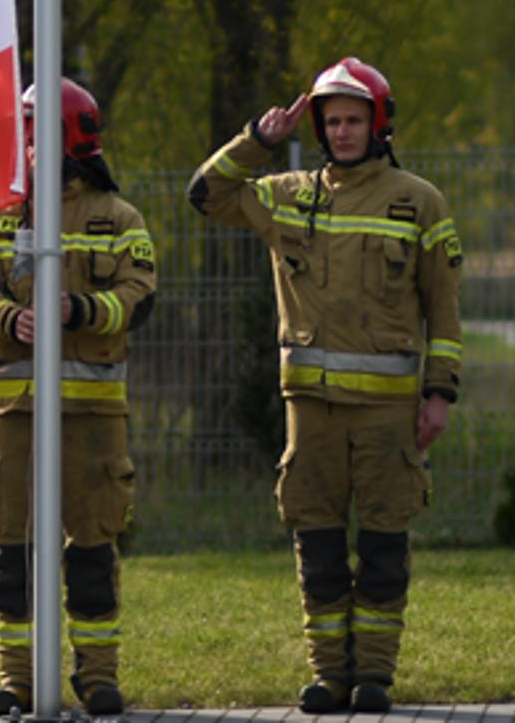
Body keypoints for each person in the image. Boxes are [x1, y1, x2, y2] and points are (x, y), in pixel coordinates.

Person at [186, 57, 463, 714]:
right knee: (318, 546)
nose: (341, 131)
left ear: (379, 124)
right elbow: (206, 194)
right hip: (309, 413)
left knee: (385, 544)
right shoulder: (285, 192)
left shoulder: (420, 202)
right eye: (332, 120)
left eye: (353, 119)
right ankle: (326, 676)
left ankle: (373, 677)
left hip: (390, 414)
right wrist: (257, 136)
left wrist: (439, 394)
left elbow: (443, 310)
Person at [0, 78, 157, 718]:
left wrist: (83, 309)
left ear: (71, 136)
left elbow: (139, 295)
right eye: (21, 132)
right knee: (11, 547)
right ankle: (16, 678)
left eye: (36, 130)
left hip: (94, 417)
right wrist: (3, 319)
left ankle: (97, 677)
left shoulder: (118, 219)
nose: (25, 145)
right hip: (16, 411)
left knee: (93, 547)